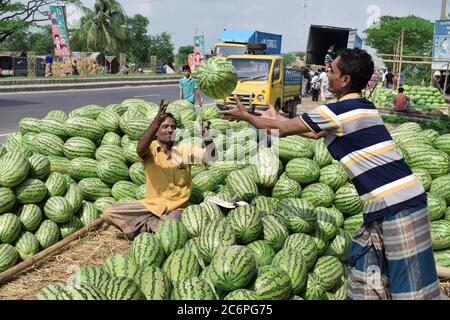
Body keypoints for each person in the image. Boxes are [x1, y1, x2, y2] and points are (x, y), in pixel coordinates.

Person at [220, 48, 441, 300]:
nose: (327, 72)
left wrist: (247, 116)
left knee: (410, 287)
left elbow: (284, 130)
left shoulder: (335, 112)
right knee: (369, 274)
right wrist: (276, 117)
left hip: (399, 204)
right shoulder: (363, 107)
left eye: (332, 70)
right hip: (388, 204)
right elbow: (314, 132)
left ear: (345, 80)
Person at [104, 99, 217, 239]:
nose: (170, 129)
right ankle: (152, 226)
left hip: (176, 209)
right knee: (109, 212)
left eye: (173, 127)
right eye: (165, 126)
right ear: (156, 132)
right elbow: (140, 148)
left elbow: (211, 158)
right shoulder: (150, 150)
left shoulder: (184, 150)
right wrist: (156, 120)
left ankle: (148, 228)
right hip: (151, 206)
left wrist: (206, 136)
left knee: (170, 233)